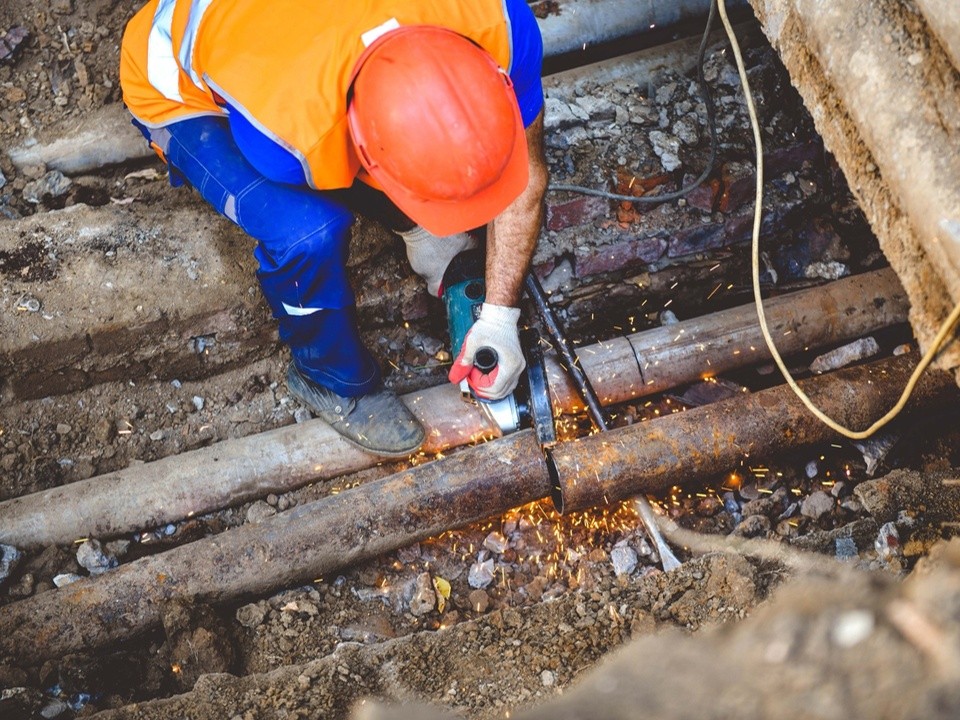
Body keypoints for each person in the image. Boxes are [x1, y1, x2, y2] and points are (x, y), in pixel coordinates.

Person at [119, 1, 547, 457]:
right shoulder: (290, 137)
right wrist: (415, 221)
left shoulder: (501, 22)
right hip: (182, 84)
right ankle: (328, 377)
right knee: (308, 230)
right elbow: (346, 167)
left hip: (301, 49)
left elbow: (528, 174)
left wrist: (501, 317)